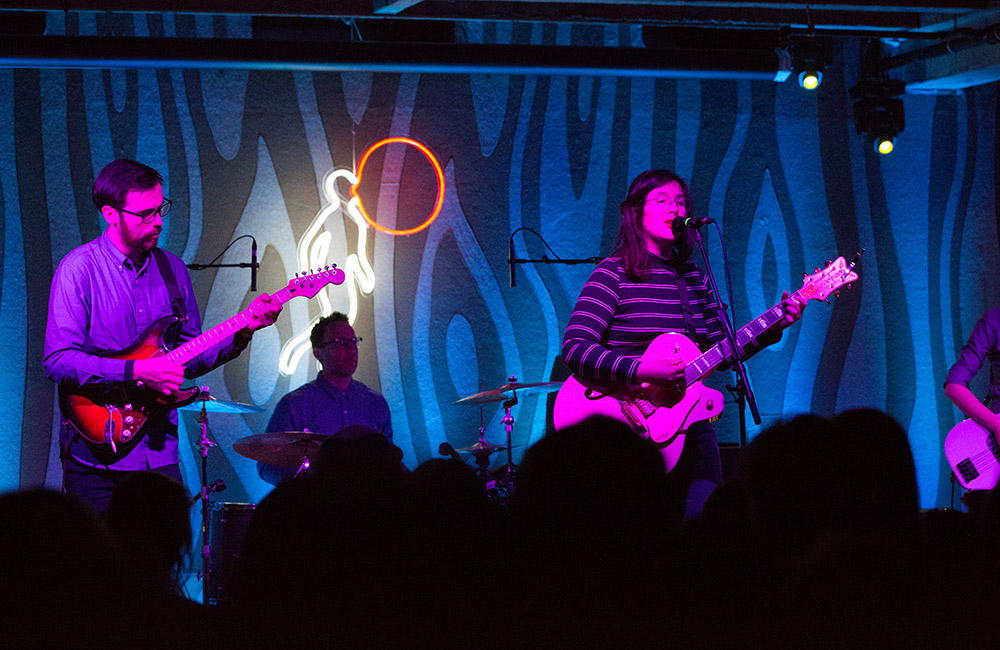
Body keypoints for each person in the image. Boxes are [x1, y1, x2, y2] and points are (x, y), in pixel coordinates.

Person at [560, 168, 804, 521]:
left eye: (679, 201)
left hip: (689, 425)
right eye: (661, 200)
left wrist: (773, 328)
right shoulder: (613, 273)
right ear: (636, 213)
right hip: (626, 429)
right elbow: (576, 347)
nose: (673, 208)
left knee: (705, 524)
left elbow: (721, 351)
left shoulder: (692, 277)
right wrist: (643, 369)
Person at [44, 159, 282, 514]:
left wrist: (245, 329)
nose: (157, 221)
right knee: (98, 552)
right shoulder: (78, 270)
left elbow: (190, 357)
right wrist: (138, 371)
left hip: (158, 453)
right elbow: (58, 361)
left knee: (162, 549)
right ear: (110, 215)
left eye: (160, 209)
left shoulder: (173, 270)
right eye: (145, 214)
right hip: (96, 455)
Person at [258, 312, 393, 484]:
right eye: (340, 342)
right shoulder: (294, 404)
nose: (351, 349)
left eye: (354, 341)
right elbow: (266, 465)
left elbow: (390, 460)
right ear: (317, 353)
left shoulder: (376, 403)